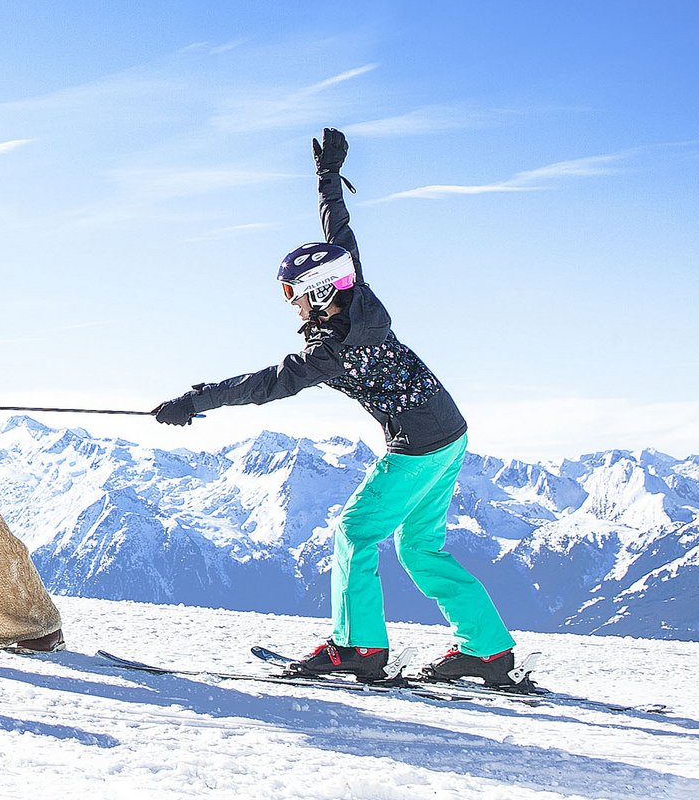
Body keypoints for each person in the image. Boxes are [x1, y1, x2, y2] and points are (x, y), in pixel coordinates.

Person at [151, 129, 517, 686]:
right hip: (450, 433)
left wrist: (193, 400)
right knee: (420, 547)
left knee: (354, 533)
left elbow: (265, 384)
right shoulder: (360, 298)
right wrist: (328, 178)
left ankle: (358, 646)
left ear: (322, 291)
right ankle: (487, 649)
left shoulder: (331, 351)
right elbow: (339, 234)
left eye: (293, 293)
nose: (291, 304)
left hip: (418, 447)